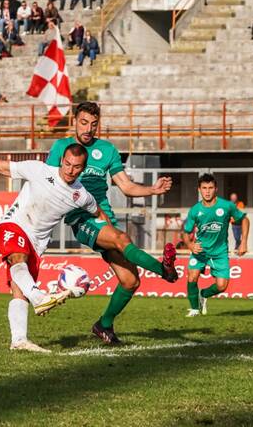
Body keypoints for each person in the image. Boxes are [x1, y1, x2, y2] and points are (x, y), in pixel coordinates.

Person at [0, 128, 109, 352]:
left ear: (83, 168)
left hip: (37, 244)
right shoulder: (39, 169)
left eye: (76, 167)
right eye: (67, 163)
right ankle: (39, 298)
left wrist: (116, 239)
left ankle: (19, 340)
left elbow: (100, 215)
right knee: (18, 259)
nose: (70, 170)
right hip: (12, 226)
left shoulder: (82, 195)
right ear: (61, 160)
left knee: (19, 291)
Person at [45, 101, 179, 345]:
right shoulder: (61, 147)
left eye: (94, 124)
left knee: (131, 281)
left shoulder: (107, 150)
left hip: (105, 218)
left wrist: (152, 189)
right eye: (84, 122)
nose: (88, 129)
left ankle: (103, 324)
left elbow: (126, 187)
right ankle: (164, 270)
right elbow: (48, 182)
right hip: (81, 218)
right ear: (74, 121)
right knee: (122, 239)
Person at [183, 174, 249, 317]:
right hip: (200, 251)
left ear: (216, 189)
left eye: (210, 188)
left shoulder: (226, 206)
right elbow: (186, 232)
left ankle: (203, 294)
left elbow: (244, 220)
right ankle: (194, 309)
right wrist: (190, 245)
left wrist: (243, 242)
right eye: (204, 188)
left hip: (219, 252)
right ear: (199, 189)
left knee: (221, 286)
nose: (207, 191)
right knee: (192, 277)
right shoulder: (195, 210)